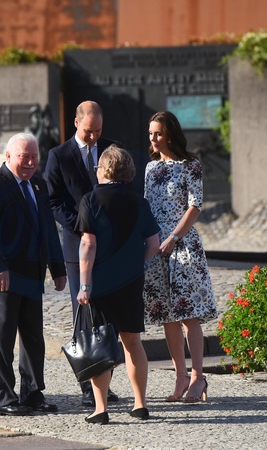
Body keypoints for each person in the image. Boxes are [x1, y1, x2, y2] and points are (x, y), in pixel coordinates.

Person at [0, 132, 67, 416]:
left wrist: (58, 269)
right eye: (24, 157)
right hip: (3, 275)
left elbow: (49, 229)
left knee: (34, 337)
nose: (30, 162)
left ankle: (33, 393)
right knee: (4, 337)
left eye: (34, 157)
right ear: (9, 156)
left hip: (32, 273)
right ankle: (2, 397)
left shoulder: (38, 185)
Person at [75, 145, 161, 424]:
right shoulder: (139, 202)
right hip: (131, 282)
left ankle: (101, 409)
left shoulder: (90, 200)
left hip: (101, 284)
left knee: (100, 344)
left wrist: (84, 285)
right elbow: (154, 243)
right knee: (133, 343)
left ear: (104, 170)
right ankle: (140, 404)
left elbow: (88, 245)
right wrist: (139, 265)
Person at [44, 100, 121, 407]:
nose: (93, 137)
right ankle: (88, 386)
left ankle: (105, 383)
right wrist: (82, 224)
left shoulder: (112, 150)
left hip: (110, 247)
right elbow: (52, 201)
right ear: (76, 123)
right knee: (85, 313)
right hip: (77, 246)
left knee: (109, 316)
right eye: (89, 131)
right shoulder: (59, 155)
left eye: (98, 131)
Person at [143, 111, 218, 404]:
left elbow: (195, 206)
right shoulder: (150, 168)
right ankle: (180, 377)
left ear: (170, 134)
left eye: (158, 133)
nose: (153, 138)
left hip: (183, 244)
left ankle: (198, 377)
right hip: (156, 247)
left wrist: (174, 237)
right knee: (167, 316)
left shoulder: (190, 165)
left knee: (188, 314)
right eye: (151, 133)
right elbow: (147, 207)